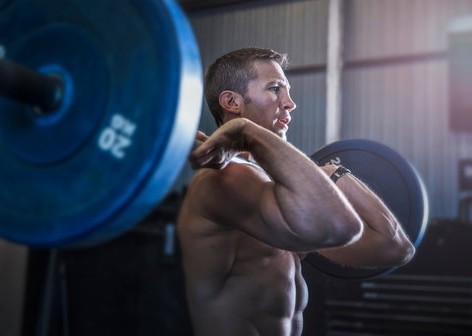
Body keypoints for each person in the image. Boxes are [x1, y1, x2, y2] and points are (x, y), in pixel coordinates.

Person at [177, 47, 415, 336]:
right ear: (232, 102)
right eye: (275, 89)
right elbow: (341, 226)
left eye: (287, 90)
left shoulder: (276, 193)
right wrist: (247, 132)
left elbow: (394, 248)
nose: (290, 103)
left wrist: (334, 172)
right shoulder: (225, 180)